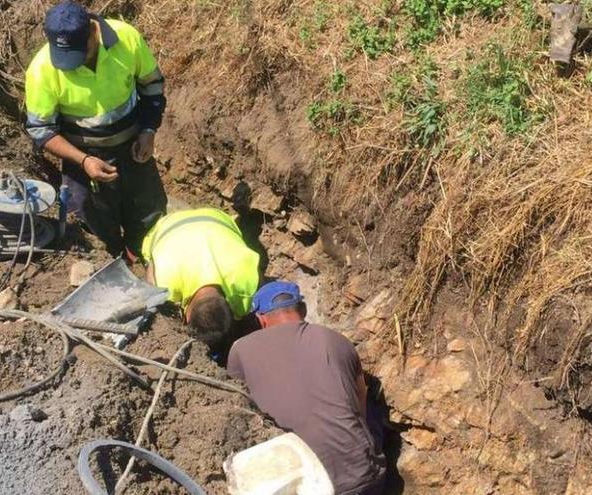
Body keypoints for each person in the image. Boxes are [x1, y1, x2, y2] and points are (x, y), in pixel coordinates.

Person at [25, 0, 167, 257]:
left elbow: (152, 86)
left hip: (134, 147)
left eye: (79, 54)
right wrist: (84, 160)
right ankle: (112, 261)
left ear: (94, 32)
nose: (74, 65)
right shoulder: (42, 69)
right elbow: (40, 130)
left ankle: (145, 260)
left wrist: (148, 131)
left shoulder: (126, 39)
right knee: (93, 229)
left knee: (150, 217)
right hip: (82, 158)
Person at [227, 281, 386, 495]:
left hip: (300, 485)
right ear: (303, 309)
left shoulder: (240, 350)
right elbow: (360, 403)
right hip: (360, 477)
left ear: (261, 319)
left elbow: (238, 408)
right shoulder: (338, 340)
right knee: (375, 410)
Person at [141, 207, 260, 346]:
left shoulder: (245, 279)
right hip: (167, 226)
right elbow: (150, 277)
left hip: (216, 216)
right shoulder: (162, 282)